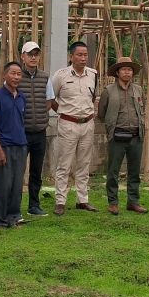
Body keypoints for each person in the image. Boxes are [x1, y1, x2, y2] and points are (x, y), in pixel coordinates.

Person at [49, 41, 100, 215]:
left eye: (85, 55)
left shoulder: (93, 74)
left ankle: (82, 200)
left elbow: (92, 98)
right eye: (79, 54)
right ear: (71, 56)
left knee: (84, 164)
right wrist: (64, 113)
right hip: (67, 124)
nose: (83, 58)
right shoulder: (61, 75)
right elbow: (51, 98)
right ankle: (60, 201)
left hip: (87, 124)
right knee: (64, 164)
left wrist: (86, 114)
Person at [98, 57, 147, 215]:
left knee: (134, 171)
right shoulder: (108, 91)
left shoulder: (138, 90)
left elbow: (142, 108)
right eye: (124, 69)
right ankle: (113, 202)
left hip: (135, 136)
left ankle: (133, 201)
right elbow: (101, 113)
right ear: (117, 72)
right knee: (113, 171)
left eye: (130, 69)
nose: (127, 72)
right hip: (117, 136)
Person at [0, 62, 28, 229]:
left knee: (17, 184)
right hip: (4, 146)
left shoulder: (22, 96)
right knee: (3, 184)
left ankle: (14, 215)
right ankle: (1, 219)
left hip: (21, 145)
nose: (16, 77)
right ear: (5, 75)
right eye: (13, 73)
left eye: (19, 74)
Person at [18, 41, 53, 216]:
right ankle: (14, 205)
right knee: (18, 171)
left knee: (36, 172)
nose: (33, 57)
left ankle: (34, 205)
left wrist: (38, 116)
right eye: (30, 54)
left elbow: (48, 102)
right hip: (21, 132)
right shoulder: (16, 76)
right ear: (22, 56)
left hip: (39, 131)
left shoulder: (45, 77)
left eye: (36, 54)